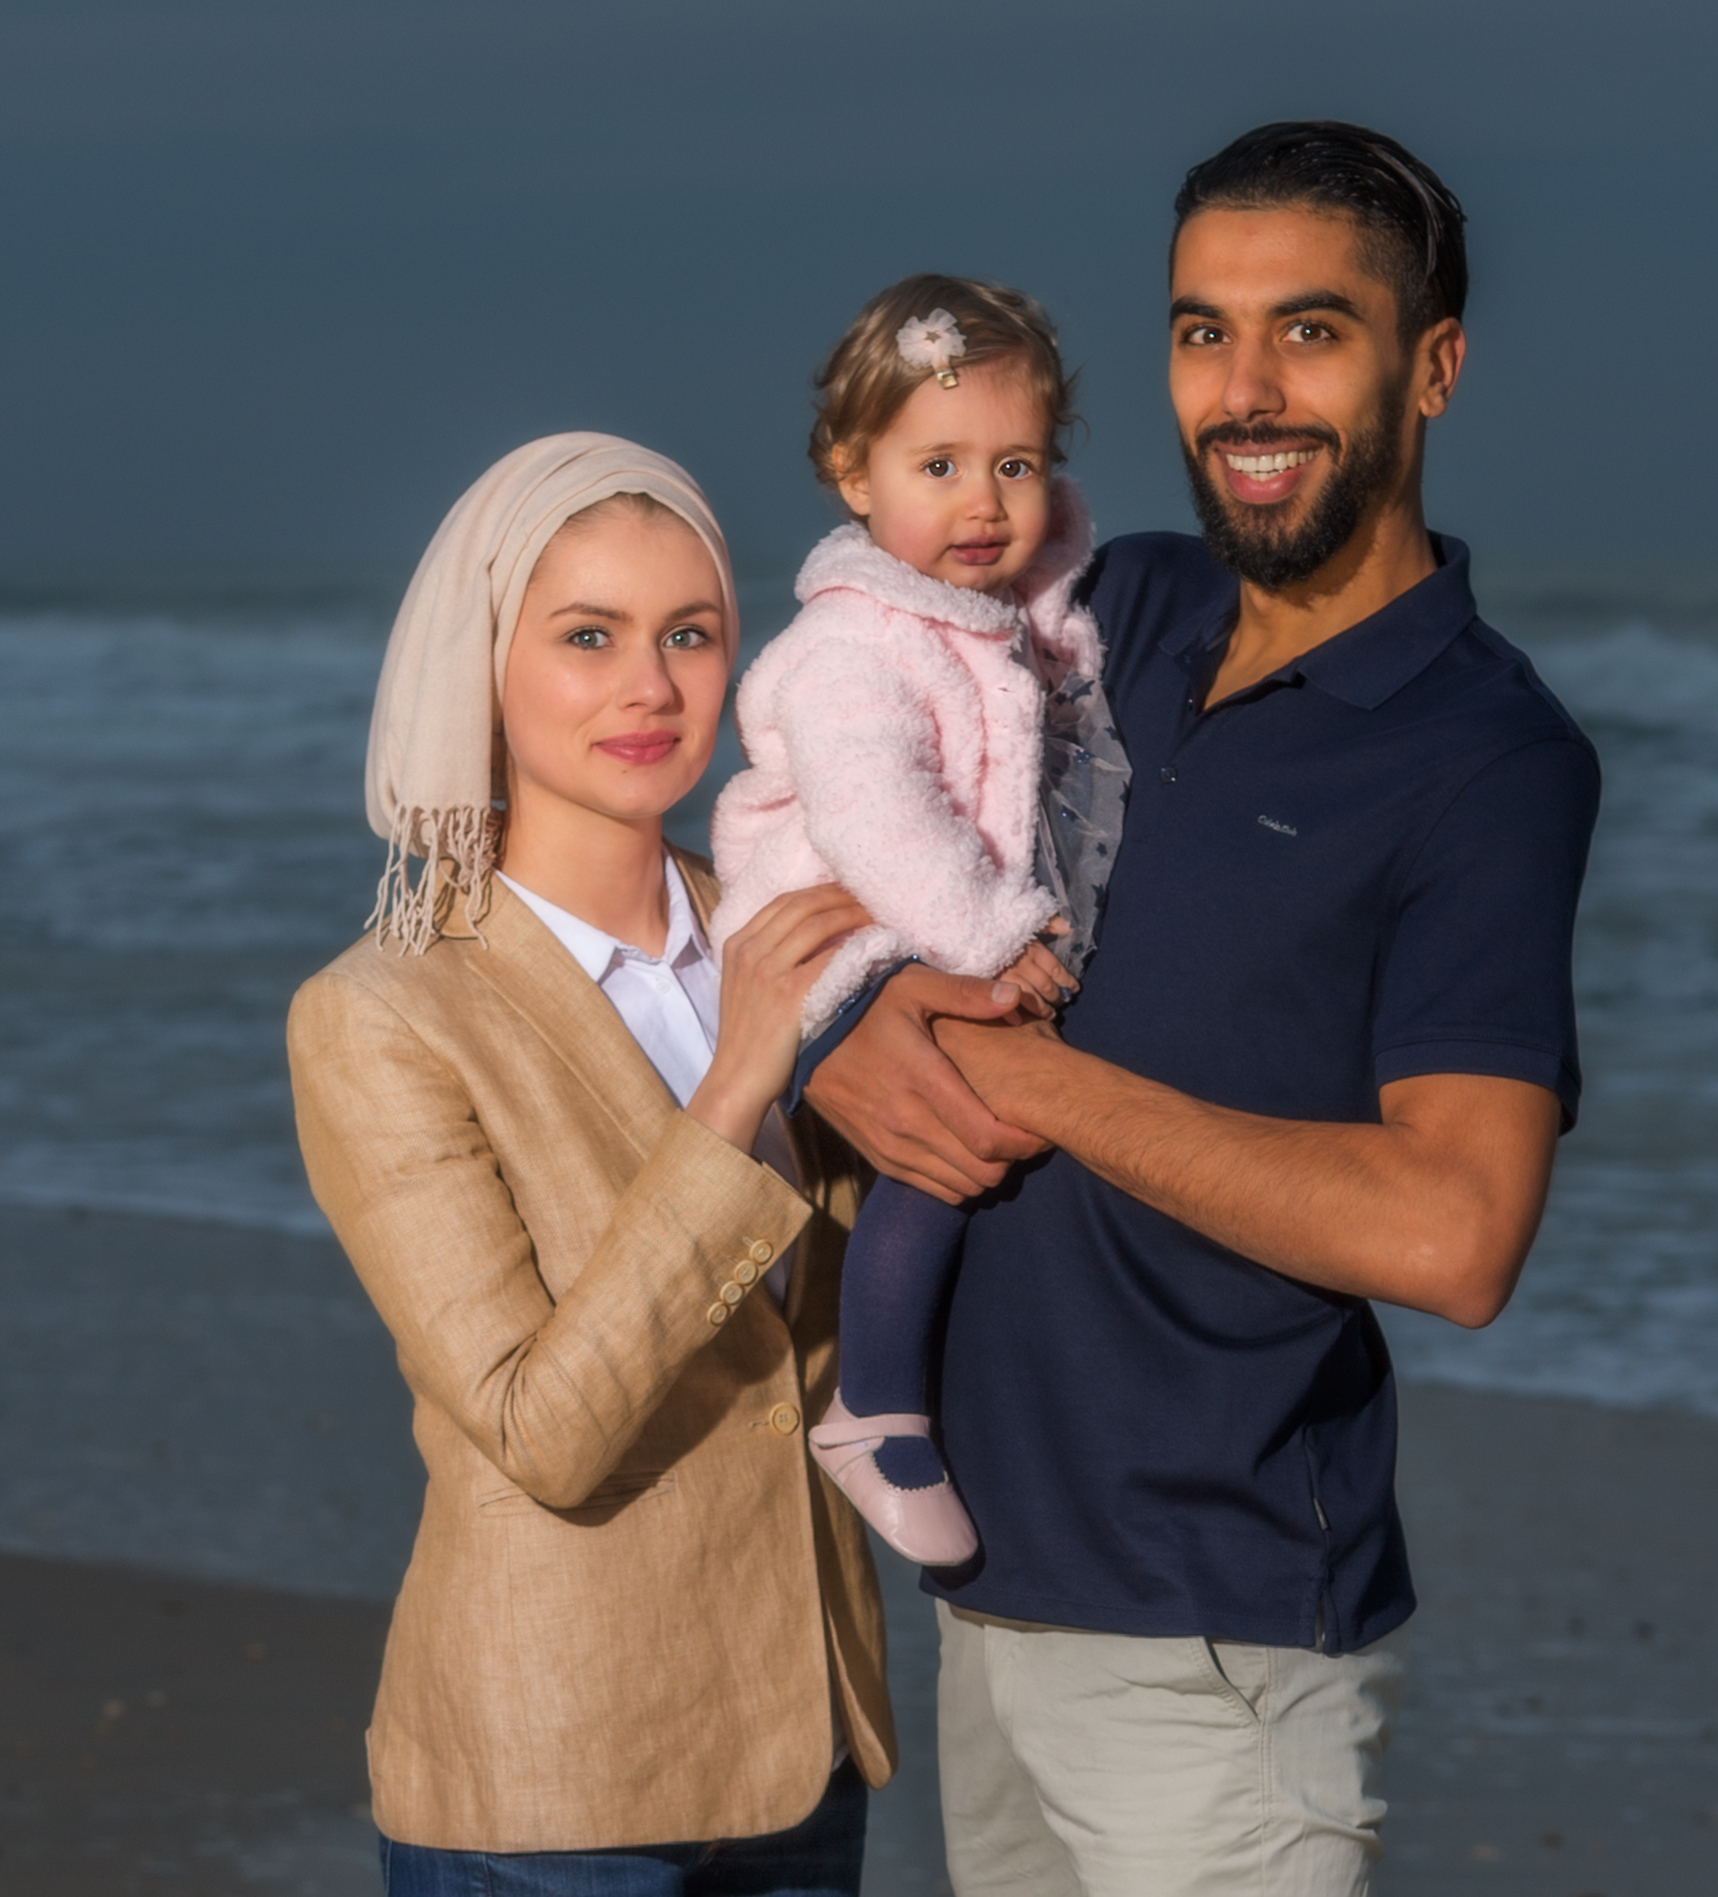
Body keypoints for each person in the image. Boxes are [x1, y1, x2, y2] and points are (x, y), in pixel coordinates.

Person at [802, 122, 1602, 1895]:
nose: (1244, 390)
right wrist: (852, 1028)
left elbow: (1457, 1228)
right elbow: (840, 772)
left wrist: (1034, 1075)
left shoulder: (1487, 758)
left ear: (1436, 365)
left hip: (1217, 1635)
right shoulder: (1113, 606)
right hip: (982, 1586)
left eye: (1310, 331)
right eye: (1198, 330)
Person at [287, 433, 896, 1896]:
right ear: (484, 663)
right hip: (546, 1784)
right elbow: (540, 1427)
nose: (652, 685)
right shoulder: (381, 1014)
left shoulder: (790, 932)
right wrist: (741, 1077)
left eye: (691, 633)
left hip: (800, 1750)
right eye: (588, 636)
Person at [709, 275, 1125, 1569]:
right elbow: (882, 816)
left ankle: (941, 1371)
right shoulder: (852, 648)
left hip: (925, 920)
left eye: (1017, 464)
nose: (983, 502)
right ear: (852, 470)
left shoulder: (1007, 613)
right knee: (950, 1140)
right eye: (937, 464)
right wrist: (998, 935)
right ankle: (873, 1401)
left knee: (998, 1122)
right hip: (828, 927)